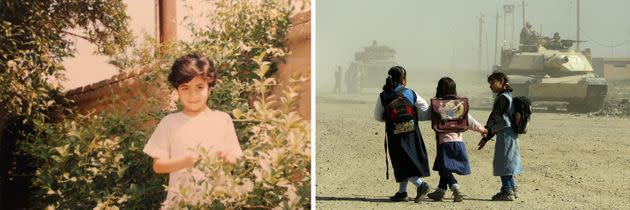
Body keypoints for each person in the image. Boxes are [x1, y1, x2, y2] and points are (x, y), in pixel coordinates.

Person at [143, 53, 244, 206]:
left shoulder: (223, 120)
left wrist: (228, 160)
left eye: (200, 87)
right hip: (180, 204)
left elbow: (234, 160)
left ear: (210, 88)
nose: (193, 95)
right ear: (177, 91)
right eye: (185, 88)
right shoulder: (169, 123)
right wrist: (186, 161)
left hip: (216, 203)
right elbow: (158, 165)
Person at [373, 66, 432, 203]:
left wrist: (390, 119)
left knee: (400, 161)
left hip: (395, 132)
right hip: (411, 131)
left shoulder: (384, 95)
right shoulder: (410, 93)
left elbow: (377, 116)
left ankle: (421, 185)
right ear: (403, 80)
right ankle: (402, 192)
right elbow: (424, 107)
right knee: (408, 159)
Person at [425, 77, 488, 202]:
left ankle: (455, 187)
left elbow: (425, 115)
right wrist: (482, 130)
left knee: (444, 168)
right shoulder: (460, 106)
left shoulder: (438, 106)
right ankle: (440, 191)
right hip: (459, 143)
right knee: (444, 167)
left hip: (444, 144)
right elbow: (470, 122)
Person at [477, 71, 522, 201]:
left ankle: (507, 191)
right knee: (509, 161)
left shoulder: (502, 98)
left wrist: (485, 130)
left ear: (501, 82)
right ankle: (512, 188)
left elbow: (495, 117)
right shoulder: (506, 95)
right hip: (509, 134)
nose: (490, 86)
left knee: (504, 163)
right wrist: (486, 138)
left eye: (492, 83)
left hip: (505, 135)